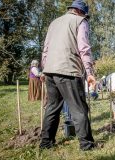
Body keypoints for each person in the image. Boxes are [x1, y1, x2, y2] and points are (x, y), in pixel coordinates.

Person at [39, 0, 96, 151]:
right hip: (69, 71)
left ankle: (46, 143)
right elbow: (84, 48)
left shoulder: (54, 23)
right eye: (84, 14)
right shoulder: (80, 21)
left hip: (50, 70)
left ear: (71, 9)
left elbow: (45, 49)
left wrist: (45, 69)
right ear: (81, 12)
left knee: (52, 108)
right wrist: (89, 72)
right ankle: (87, 145)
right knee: (79, 109)